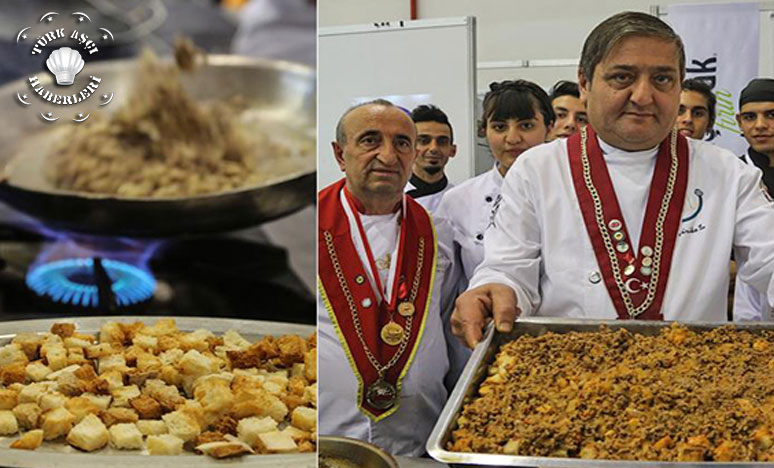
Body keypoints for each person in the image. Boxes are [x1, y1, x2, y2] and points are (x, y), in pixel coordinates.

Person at [451, 12, 774, 348]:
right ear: (585, 84)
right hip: (567, 379)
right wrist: (494, 290)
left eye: (662, 79)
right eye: (622, 77)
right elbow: (507, 268)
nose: (643, 96)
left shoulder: (728, 174)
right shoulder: (537, 170)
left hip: (693, 373)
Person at [317, 99, 455, 456]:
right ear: (339, 153)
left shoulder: (440, 231)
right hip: (322, 441)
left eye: (402, 143)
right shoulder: (304, 227)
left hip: (419, 442)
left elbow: (445, 322)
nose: (389, 156)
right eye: (370, 140)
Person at [435, 80, 553, 386]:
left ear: (549, 128)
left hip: (552, 341)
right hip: (481, 344)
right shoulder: (458, 200)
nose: (512, 138)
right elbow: (446, 294)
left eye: (526, 125)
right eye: (499, 126)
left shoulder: (568, 194)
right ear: (483, 131)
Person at [734, 78, 774, 321]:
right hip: (748, 303)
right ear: (739, 122)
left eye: (771, 114)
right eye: (750, 117)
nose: (760, 125)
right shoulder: (730, 176)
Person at [404, 104, 457, 213]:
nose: (433, 148)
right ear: (408, 148)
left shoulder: (461, 199)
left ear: (453, 151)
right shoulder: (391, 199)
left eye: (442, 142)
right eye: (424, 141)